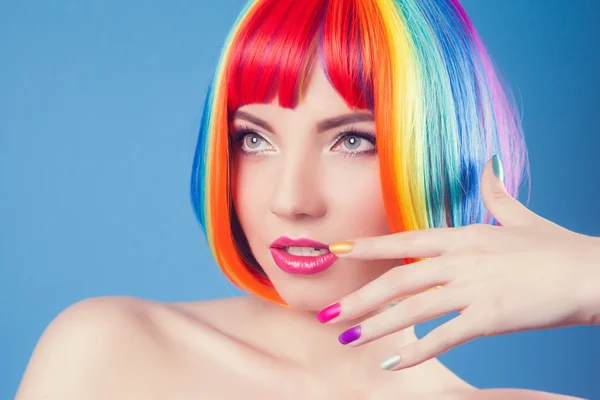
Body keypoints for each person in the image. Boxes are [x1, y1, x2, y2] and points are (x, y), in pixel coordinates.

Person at [15, 0, 600, 399]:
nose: (290, 201)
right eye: (254, 138)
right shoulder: (110, 351)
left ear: (441, 153)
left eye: (351, 140)